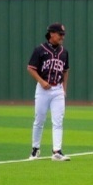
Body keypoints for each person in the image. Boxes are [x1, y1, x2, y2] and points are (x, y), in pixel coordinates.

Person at [27, 23, 70, 161]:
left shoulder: (64, 52)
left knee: (58, 121)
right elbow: (31, 68)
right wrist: (41, 81)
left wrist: (64, 88)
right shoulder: (40, 50)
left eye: (63, 34)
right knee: (39, 120)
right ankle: (35, 149)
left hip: (57, 90)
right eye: (60, 34)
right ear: (51, 34)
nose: (62, 37)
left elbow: (65, 71)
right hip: (43, 90)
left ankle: (57, 151)